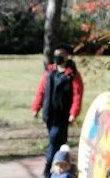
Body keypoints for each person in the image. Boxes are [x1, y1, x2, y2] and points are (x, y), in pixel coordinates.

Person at [32, 48, 84, 177]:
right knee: (59, 143)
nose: (58, 58)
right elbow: (41, 91)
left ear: (67, 57)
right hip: (49, 115)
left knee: (54, 141)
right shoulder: (49, 72)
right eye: (56, 55)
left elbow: (78, 95)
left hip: (62, 116)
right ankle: (65, 168)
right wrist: (36, 107)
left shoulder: (72, 74)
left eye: (61, 55)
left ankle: (49, 168)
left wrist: (73, 113)